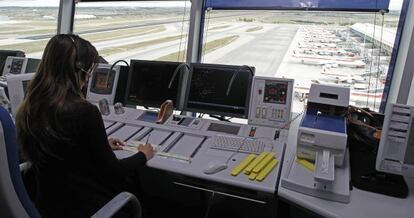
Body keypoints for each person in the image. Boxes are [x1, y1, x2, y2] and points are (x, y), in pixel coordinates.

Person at [15, 34, 154, 217]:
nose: (89, 77)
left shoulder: (31, 106)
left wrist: (100, 144)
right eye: (89, 70)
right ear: (78, 69)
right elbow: (114, 172)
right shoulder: (84, 111)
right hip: (85, 208)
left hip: (46, 206)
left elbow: (63, 150)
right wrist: (143, 155)